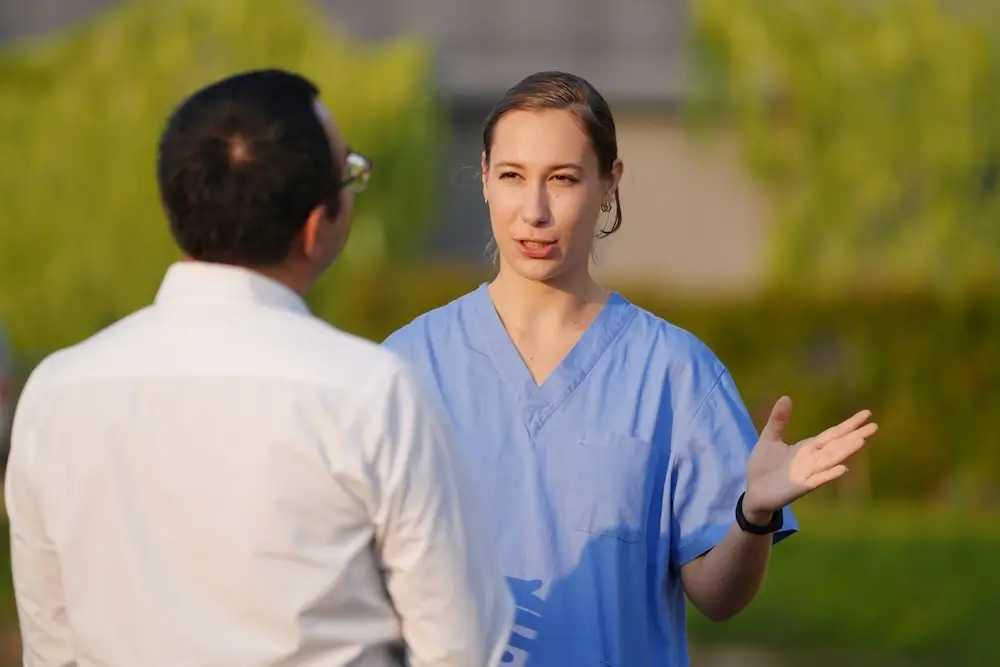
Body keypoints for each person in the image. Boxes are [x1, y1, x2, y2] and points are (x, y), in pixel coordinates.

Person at [5, 69, 514, 667]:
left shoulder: (59, 393)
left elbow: (50, 642)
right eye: (349, 174)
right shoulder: (372, 393)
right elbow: (459, 645)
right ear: (313, 224)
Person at [382, 70, 879, 666]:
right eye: (513, 176)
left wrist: (753, 514)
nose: (534, 211)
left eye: (562, 179)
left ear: (608, 184)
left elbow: (719, 599)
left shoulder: (675, 372)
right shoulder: (405, 367)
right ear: (484, 177)